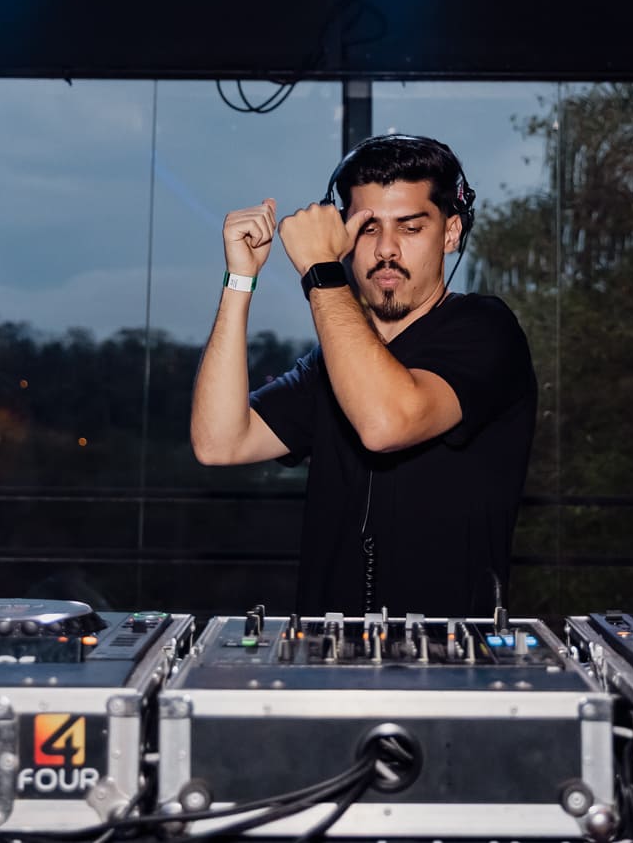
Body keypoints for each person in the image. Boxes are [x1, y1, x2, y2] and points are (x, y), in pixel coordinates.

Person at [190, 134, 537, 615]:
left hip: (445, 650)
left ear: (451, 232)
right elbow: (219, 441)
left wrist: (320, 269)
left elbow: (386, 423)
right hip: (327, 649)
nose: (386, 250)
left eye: (410, 228)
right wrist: (240, 279)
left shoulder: (487, 331)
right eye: (368, 229)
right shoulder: (333, 362)